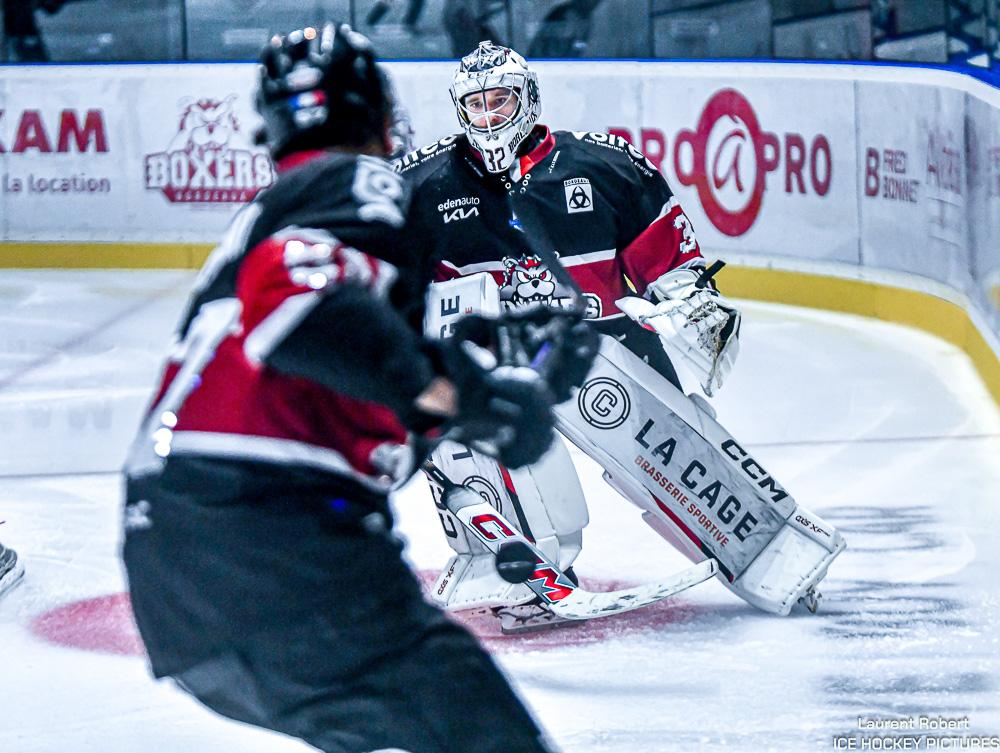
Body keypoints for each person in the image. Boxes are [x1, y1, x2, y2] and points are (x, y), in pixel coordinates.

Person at [121, 24, 577, 753]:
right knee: (487, 732)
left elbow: (361, 403)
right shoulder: (355, 182)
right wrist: (474, 397)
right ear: (376, 114)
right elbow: (296, 302)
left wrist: (478, 389)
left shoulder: (273, 211)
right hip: (279, 539)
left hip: (173, 574)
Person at [396, 41, 743, 632]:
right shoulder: (423, 183)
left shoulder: (604, 164)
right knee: (479, 442)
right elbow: (388, 276)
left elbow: (670, 259)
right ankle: (524, 573)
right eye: (475, 104)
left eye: (500, 101)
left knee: (681, 461)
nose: (488, 116)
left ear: (527, 99)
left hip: (605, 346)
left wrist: (690, 305)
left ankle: (755, 537)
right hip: (498, 358)